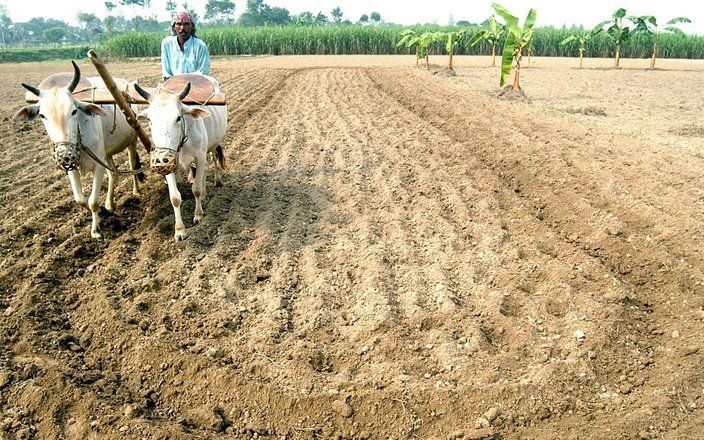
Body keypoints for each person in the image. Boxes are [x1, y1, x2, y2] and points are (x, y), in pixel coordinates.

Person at [161, 10, 211, 81]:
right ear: (174, 28)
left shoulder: (200, 46)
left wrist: (185, 83)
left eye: (186, 24)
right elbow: (166, 72)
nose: (182, 28)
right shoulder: (167, 44)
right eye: (179, 24)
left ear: (192, 26)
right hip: (173, 84)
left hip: (195, 84)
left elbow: (203, 72)